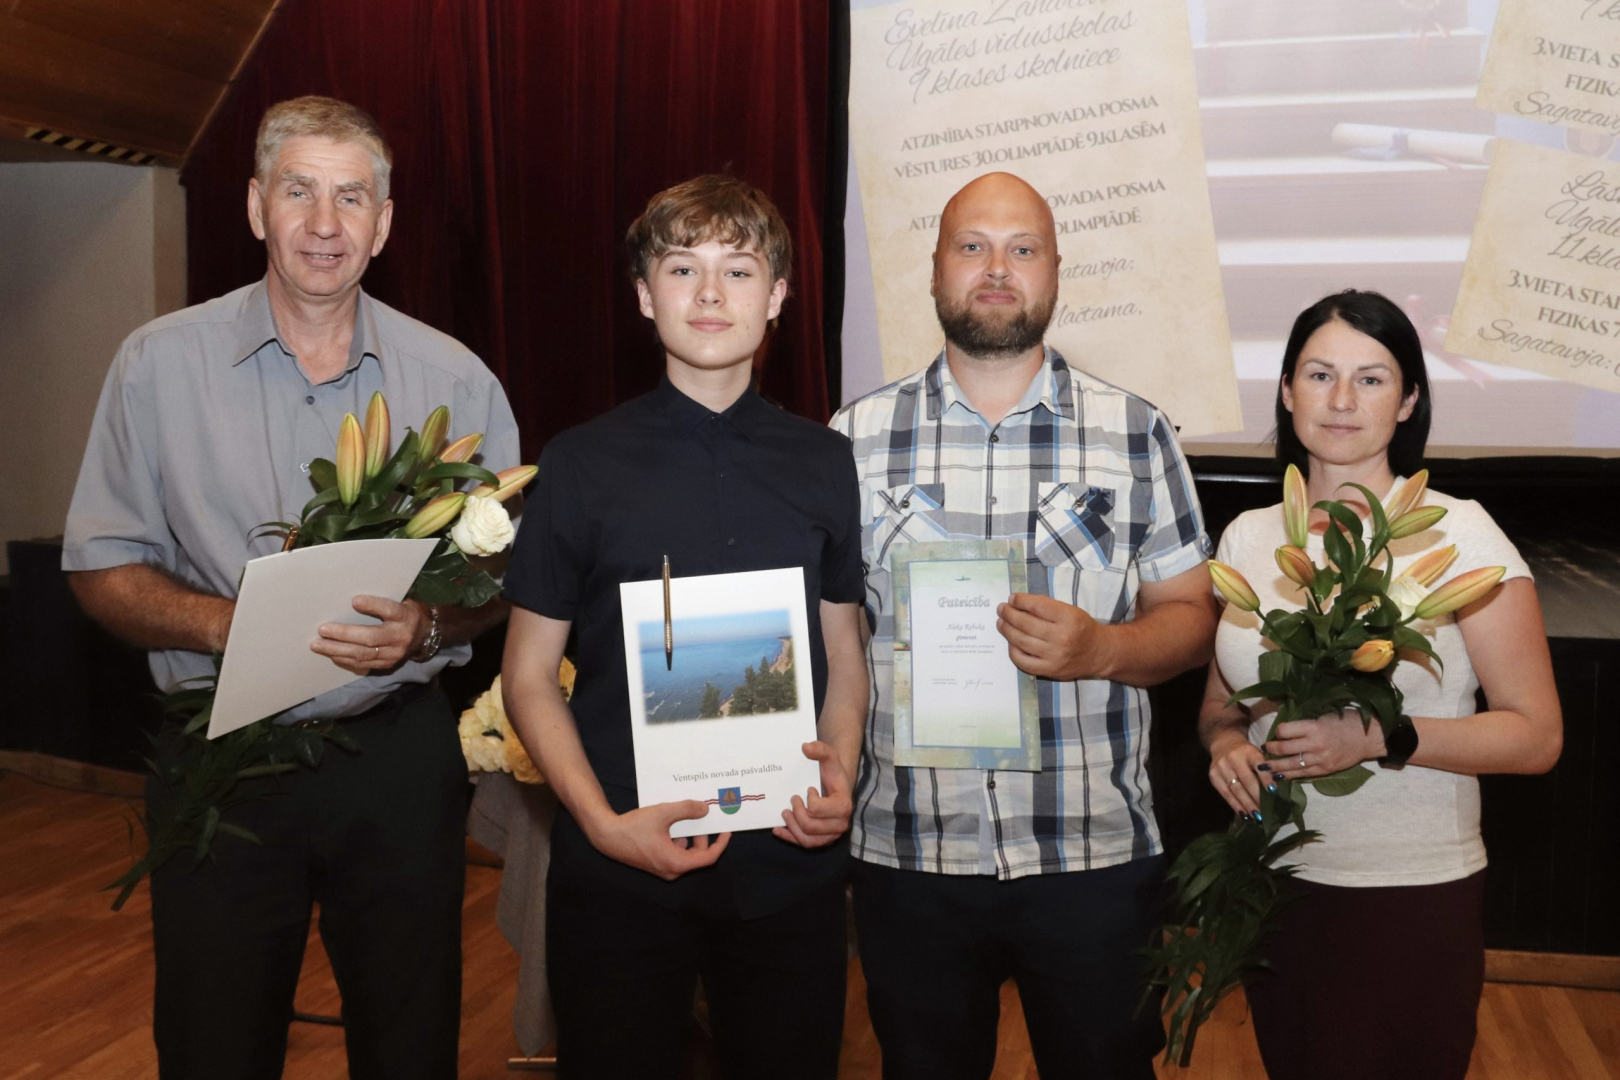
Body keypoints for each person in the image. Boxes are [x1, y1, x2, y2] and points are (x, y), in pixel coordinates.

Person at [62, 96, 519, 1079]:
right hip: (221, 753)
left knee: (411, 1045)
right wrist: (228, 625)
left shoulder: (457, 381)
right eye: (299, 191)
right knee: (213, 1042)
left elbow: (499, 579)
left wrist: (429, 624)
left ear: (383, 224)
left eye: (350, 198)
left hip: (395, 758)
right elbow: (99, 567)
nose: (323, 222)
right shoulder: (156, 365)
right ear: (255, 206)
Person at [830, 171, 1219, 1078]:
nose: (997, 269)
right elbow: (832, 637)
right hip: (909, 850)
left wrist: (1105, 647)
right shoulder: (852, 438)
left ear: (1054, 271)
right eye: (972, 247)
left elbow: (1192, 618)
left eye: (1022, 248)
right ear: (935, 270)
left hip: (1090, 852)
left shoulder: (1135, 433)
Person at [499, 174, 868, 1079]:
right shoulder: (577, 465)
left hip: (788, 863)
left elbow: (843, 652)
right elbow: (527, 676)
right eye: (681, 268)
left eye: (738, 270)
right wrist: (601, 825)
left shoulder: (826, 462)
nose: (709, 293)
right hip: (619, 867)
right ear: (643, 295)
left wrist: (842, 770)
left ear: (776, 298)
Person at [1199, 290, 1563, 1080]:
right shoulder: (1250, 537)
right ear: (1286, 391)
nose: (1341, 399)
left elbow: (1536, 736)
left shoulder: (1460, 534)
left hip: (1407, 893)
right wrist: (1226, 743)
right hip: (1274, 885)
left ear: (1407, 403)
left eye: (1370, 379)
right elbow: (1223, 708)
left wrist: (1377, 737)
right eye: (1319, 374)